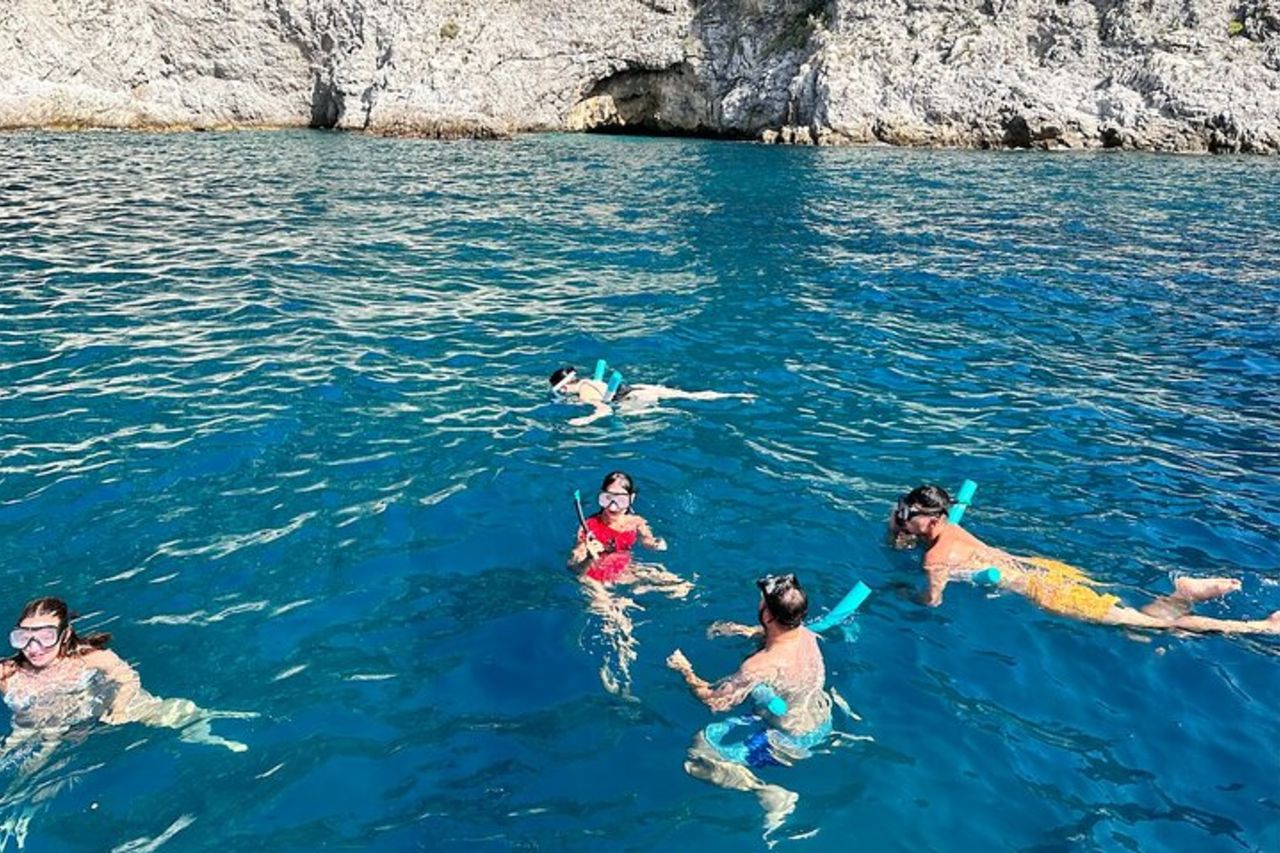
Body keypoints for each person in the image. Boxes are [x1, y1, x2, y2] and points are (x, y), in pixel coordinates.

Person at [889, 484, 1280, 635]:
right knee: (1139, 630)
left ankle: (1261, 627)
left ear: (934, 518)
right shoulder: (951, 531)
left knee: (1148, 626)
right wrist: (903, 534)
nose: (905, 515)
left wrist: (906, 593)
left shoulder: (936, 559)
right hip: (1044, 568)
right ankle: (1181, 596)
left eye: (911, 512)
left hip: (1046, 590)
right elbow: (915, 538)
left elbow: (933, 601)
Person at [0, 597, 252, 769]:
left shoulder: (91, 658)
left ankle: (212, 735)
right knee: (26, 761)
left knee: (170, 709)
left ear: (65, 634)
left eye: (45, 636)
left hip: (91, 709)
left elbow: (126, 677)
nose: (34, 647)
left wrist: (119, 707)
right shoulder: (8, 671)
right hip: (35, 727)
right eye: (24, 637)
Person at [667, 574, 831, 835]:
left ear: (767, 615)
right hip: (821, 720)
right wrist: (741, 630)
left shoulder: (759, 665)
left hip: (789, 741)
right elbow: (779, 637)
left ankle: (766, 791)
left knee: (699, 751)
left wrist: (684, 670)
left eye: (761, 603)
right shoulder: (807, 634)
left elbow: (715, 702)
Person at [569, 472, 692, 696]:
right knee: (618, 621)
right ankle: (618, 670)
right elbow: (573, 567)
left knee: (681, 586)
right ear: (601, 497)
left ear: (631, 499)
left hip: (624, 569)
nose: (614, 507)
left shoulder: (637, 522)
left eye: (621, 499)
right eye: (608, 499)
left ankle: (640, 592)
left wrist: (656, 545)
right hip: (595, 578)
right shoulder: (588, 527)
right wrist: (587, 555)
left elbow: (648, 542)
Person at [549, 365, 754, 427]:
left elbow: (604, 409)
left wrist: (586, 419)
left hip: (635, 399)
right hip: (638, 388)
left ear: (564, 388)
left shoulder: (585, 392)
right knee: (692, 396)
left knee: (663, 415)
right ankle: (737, 395)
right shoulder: (590, 381)